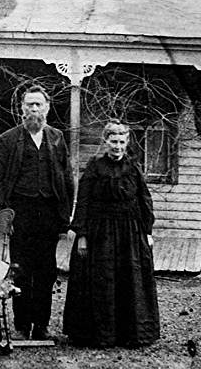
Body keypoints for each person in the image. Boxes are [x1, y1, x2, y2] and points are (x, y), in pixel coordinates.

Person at [63, 119, 160, 347]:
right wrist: (82, 235)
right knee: (102, 281)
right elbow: (84, 201)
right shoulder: (95, 166)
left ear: (126, 142)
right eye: (113, 141)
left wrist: (147, 231)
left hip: (129, 232)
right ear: (105, 141)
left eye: (121, 141)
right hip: (101, 232)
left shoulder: (133, 167)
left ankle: (129, 334)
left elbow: (144, 200)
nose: (117, 146)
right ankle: (99, 334)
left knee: (129, 280)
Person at [0, 85, 74, 340]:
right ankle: (22, 324)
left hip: (48, 212)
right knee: (21, 269)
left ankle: (42, 324)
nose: (34, 109)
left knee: (46, 271)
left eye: (39, 104)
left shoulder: (57, 137)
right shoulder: (8, 139)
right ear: (22, 108)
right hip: (20, 213)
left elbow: (67, 180)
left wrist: (64, 216)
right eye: (29, 105)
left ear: (47, 108)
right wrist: (4, 215)